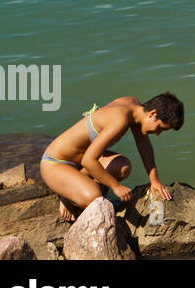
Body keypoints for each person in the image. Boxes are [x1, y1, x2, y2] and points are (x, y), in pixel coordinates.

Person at [40, 93, 183, 221]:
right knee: (95, 199)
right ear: (152, 114)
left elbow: (144, 147)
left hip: (80, 163)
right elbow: (89, 161)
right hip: (56, 163)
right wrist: (116, 186)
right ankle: (66, 195)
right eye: (160, 128)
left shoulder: (134, 105)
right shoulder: (120, 119)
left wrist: (154, 180)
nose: (158, 133)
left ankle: (75, 184)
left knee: (123, 168)